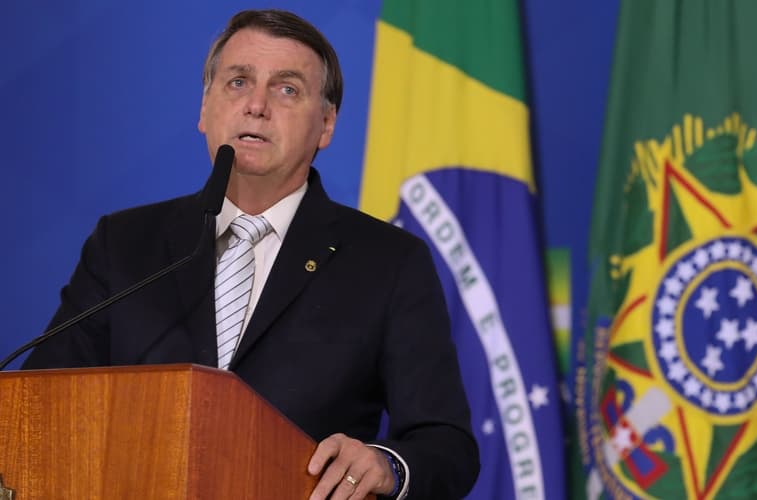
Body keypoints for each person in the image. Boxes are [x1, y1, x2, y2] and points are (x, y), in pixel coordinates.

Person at [22, 9, 479, 499]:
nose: (256, 105)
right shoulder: (125, 243)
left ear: (326, 125)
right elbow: (40, 408)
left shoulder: (388, 261)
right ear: (204, 109)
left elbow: (446, 445)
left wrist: (385, 464)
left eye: (286, 89)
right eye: (238, 82)